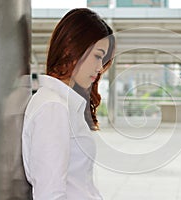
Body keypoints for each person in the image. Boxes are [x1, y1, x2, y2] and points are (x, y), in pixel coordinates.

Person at [22, 8, 115, 200]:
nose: (99, 68)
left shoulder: (60, 104)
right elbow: (49, 194)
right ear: (70, 48)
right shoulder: (52, 107)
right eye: (98, 56)